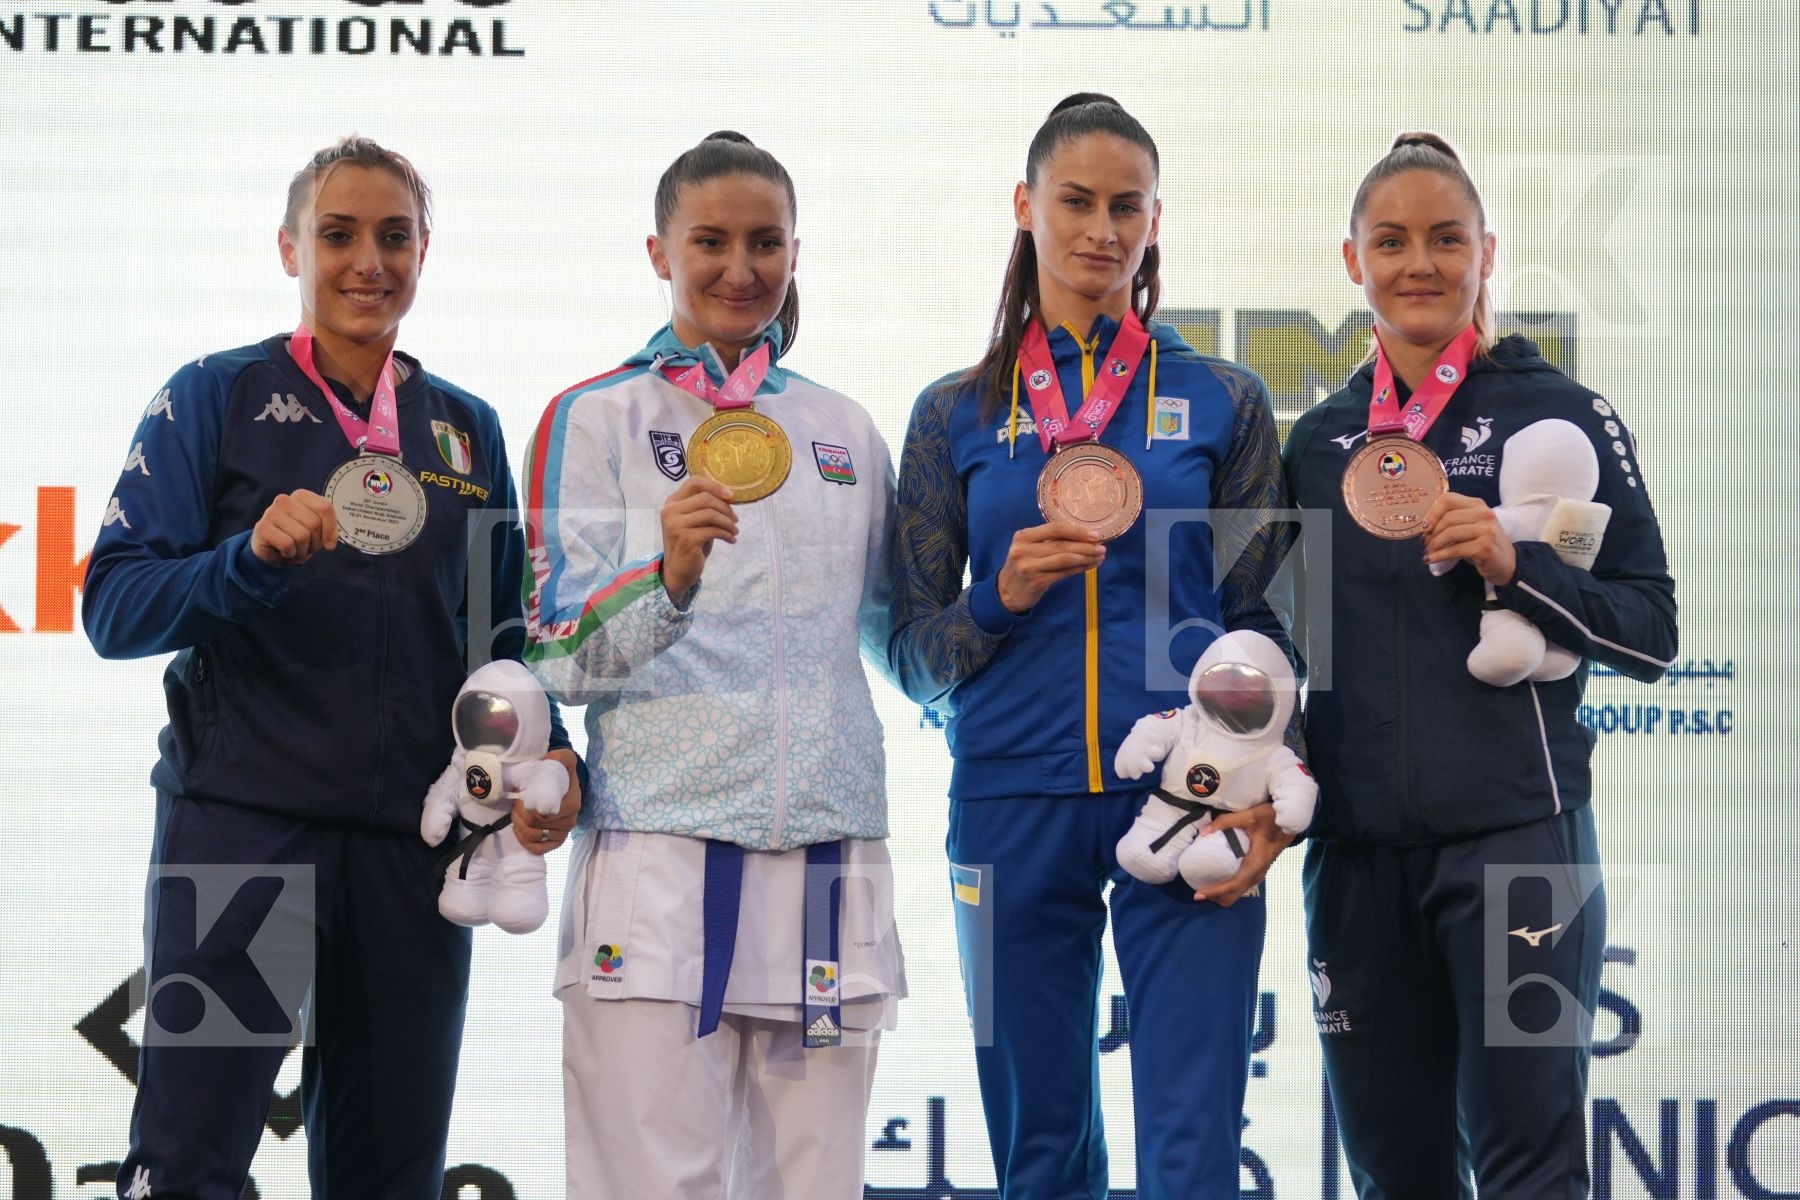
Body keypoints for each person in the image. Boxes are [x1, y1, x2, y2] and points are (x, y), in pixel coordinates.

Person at [82, 135, 579, 1200]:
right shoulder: (212, 397)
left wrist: (553, 762)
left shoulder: (465, 429)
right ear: (289, 248)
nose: (369, 262)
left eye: (394, 237)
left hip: (412, 855)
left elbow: (502, 648)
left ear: (423, 252)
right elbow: (113, 607)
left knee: (387, 1180)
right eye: (340, 234)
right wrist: (245, 560)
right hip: (244, 844)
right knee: (187, 1169)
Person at [889, 93, 1300, 1199]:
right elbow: (908, 651)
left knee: (1192, 1152)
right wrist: (998, 598)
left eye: (1127, 206)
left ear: (1156, 219)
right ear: (1025, 206)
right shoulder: (954, 414)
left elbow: (1269, 627)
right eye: (1075, 200)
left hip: (1191, 793)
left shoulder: (1225, 400)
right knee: (1039, 1157)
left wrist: (1266, 788)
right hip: (1008, 805)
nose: (1101, 229)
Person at [1282, 132, 1678, 1199]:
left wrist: (1520, 568)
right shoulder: (1314, 444)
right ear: (1351, 260)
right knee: (1395, 1178)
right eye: (1393, 240)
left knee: (1530, 1171)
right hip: (1358, 866)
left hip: (1521, 850)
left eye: (1447, 238)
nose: (1421, 263)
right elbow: (1270, 648)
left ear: (1486, 251)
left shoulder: (1563, 415)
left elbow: (1652, 629)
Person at [523, 130, 903, 1199]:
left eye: (766, 241)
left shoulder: (845, 432)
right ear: (659, 251)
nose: (742, 269)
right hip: (659, 860)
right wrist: (670, 576)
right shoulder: (596, 417)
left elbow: (897, 644)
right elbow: (553, 648)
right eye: (711, 242)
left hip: (830, 857)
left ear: (795, 250)